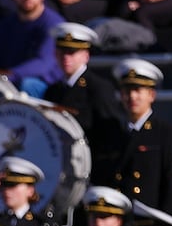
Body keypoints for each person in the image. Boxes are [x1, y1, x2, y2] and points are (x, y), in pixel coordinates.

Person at [42, 25, 124, 182]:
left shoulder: (98, 87)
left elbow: (110, 135)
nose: (66, 58)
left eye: (72, 52)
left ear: (85, 56)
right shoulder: (53, 91)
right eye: (62, 52)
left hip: (91, 169)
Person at [108, 59, 172, 214]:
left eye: (138, 90)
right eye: (127, 91)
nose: (132, 97)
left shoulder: (167, 132)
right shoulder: (113, 133)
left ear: (151, 95)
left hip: (150, 222)